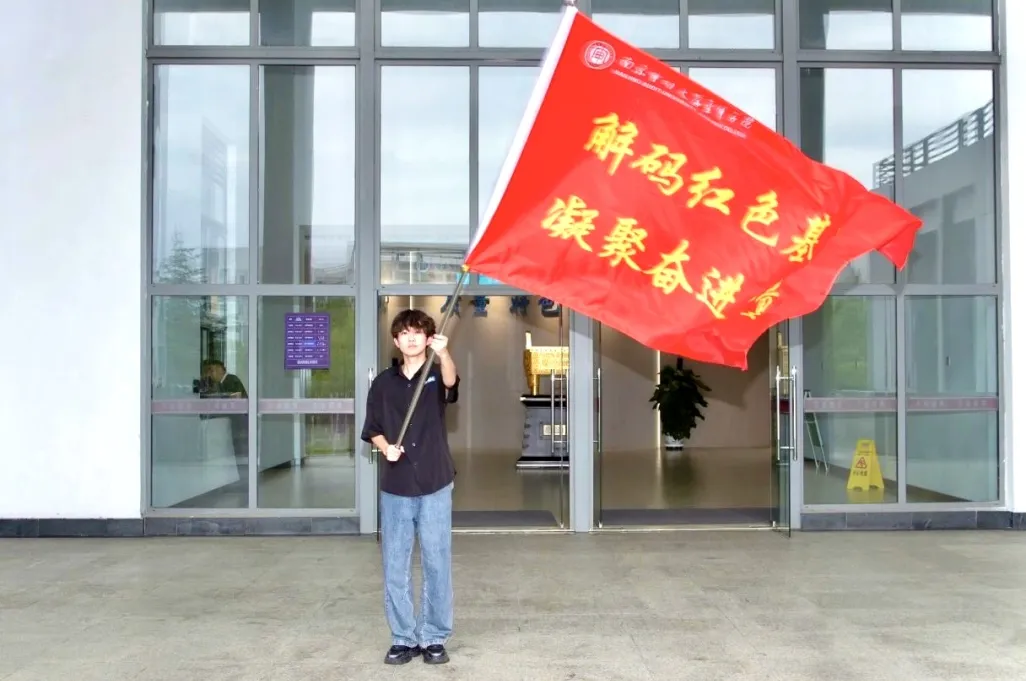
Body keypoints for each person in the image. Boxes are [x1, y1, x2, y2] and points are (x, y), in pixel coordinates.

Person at [361, 309, 460, 666]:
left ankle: (434, 636)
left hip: (434, 481)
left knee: (436, 561)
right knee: (395, 564)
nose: (412, 338)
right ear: (396, 340)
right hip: (397, 485)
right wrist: (385, 447)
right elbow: (372, 427)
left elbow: (451, 384)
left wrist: (444, 354)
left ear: (429, 338)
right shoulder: (383, 383)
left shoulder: (436, 372)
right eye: (405, 333)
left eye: (419, 332)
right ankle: (403, 637)